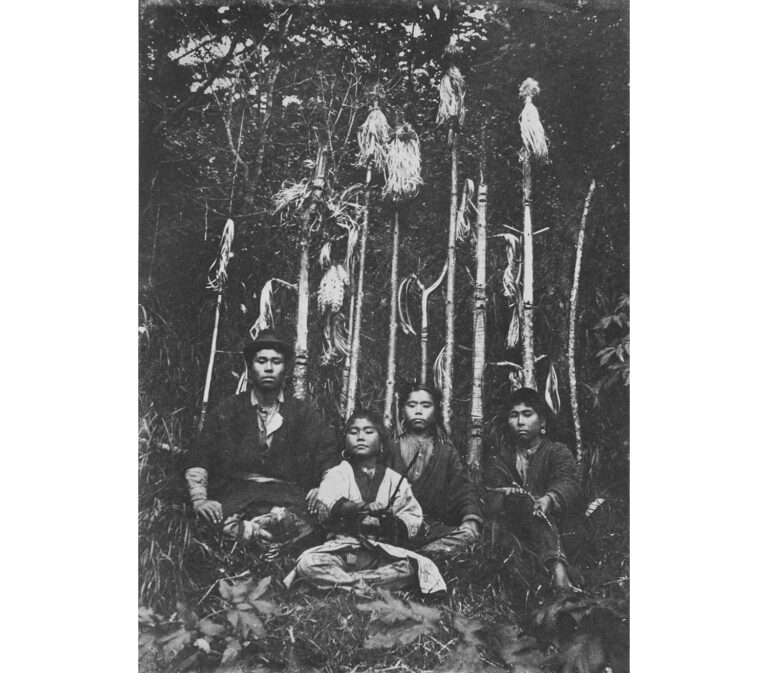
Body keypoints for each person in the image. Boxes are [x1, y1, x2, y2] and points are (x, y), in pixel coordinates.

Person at [182, 329, 339, 546]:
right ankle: (251, 533)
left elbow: (328, 457)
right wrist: (200, 500)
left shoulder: (303, 413)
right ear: (250, 367)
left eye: (276, 361)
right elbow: (200, 455)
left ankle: (264, 533)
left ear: (285, 368)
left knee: (322, 521)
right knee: (205, 520)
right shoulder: (229, 409)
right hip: (237, 495)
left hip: (288, 497)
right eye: (261, 360)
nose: (268, 368)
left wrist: (323, 489)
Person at [284, 409, 446, 596]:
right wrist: (361, 508)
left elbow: (412, 517)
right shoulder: (337, 474)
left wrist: (387, 522)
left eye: (369, 432)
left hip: (380, 553)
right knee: (308, 563)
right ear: (345, 440)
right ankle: (372, 589)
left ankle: (346, 584)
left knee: (416, 567)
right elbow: (328, 502)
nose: (361, 437)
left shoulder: (395, 479)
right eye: (354, 432)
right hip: (341, 550)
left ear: (382, 443)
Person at [485, 387, 581, 591]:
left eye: (528, 414)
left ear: (542, 421)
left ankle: (560, 574)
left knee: (536, 507)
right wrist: (506, 494)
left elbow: (568, 482)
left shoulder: (556, 451)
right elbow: (492, 489)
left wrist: (549, 499)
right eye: (514, 415)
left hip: (554, 527)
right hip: (516, 529)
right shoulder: (503, 459)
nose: (520, 422)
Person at [389, 384, 483, 559]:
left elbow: (463, 488)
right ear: (402, 410)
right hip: (394, 527)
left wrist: (471, 520)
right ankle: (415, 559)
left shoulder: (446, 451)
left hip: (430, 529)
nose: (418, 411)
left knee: (468, 536)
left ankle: (417, 557)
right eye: (411, 405)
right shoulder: (389, 448)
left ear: (435, 411)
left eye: (426, 405)